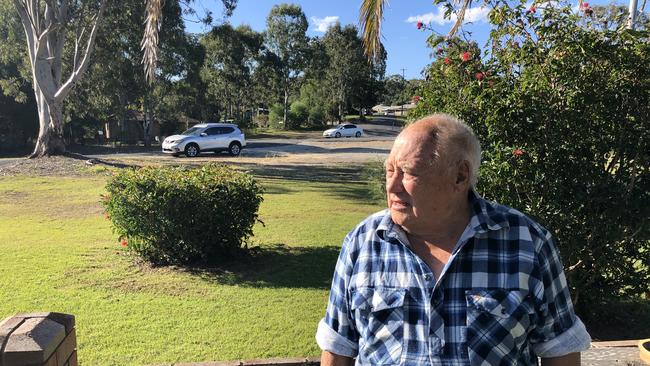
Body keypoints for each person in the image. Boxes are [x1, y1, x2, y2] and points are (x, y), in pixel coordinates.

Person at [315, 114, 591, 365]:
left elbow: (560, 350)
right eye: (390, 170)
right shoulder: (362, 244)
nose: (392, 185)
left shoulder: (528, 243)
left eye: (409, 172)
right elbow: (339, 348)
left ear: (460, 176)